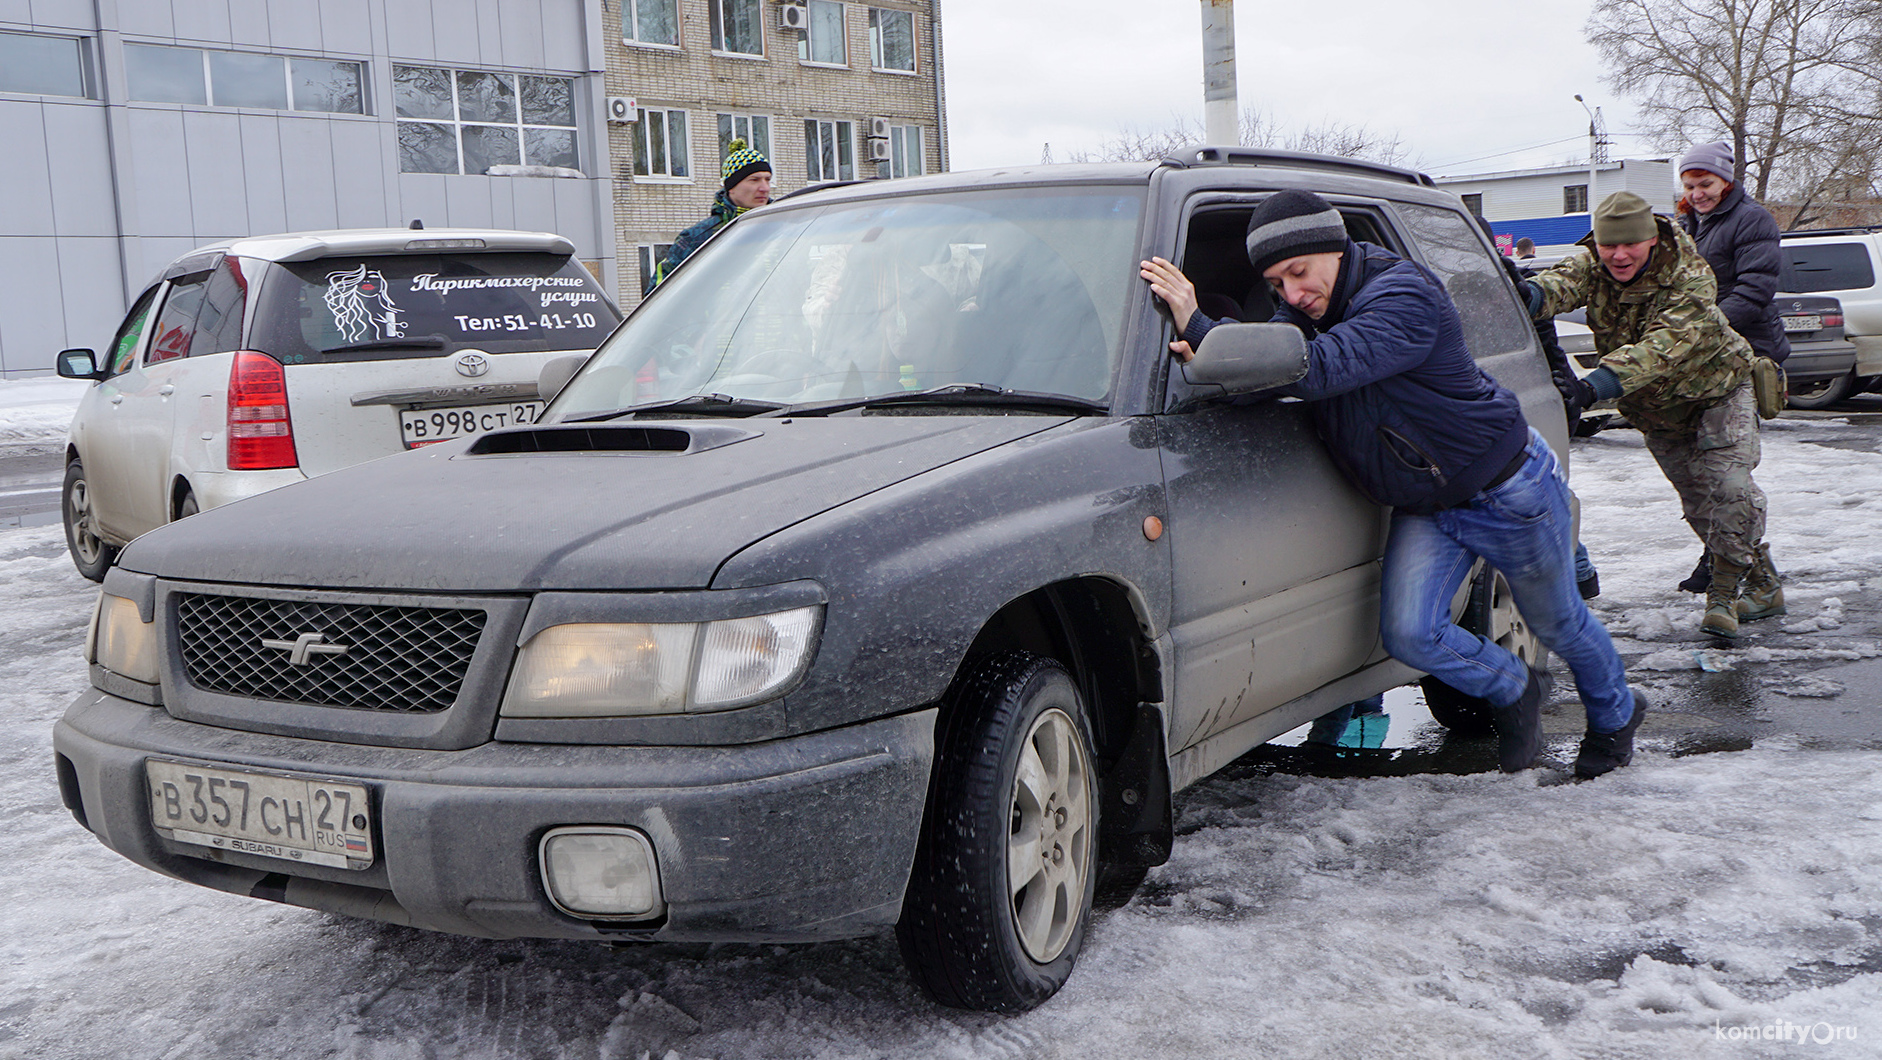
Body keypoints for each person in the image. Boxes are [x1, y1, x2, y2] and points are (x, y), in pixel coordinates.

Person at [1141, 190, 1644, 779]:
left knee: (1559, 622)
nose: (1293, 294)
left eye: (1299, 273)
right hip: (1425, 503)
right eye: (1277, 284)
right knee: (1411, 633)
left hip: (1506, 490)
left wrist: (1202, 322)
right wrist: (1209, 352)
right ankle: (1514, 686)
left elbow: (1321, 366)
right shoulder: (1306, 311)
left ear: (1332, 248)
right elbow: (1269, 371)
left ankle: (1615, 716)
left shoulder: (1402, 293)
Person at [1525, 191, 1784, 639]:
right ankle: (1763, 583)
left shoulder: (1690, 275)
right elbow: (1558, 284)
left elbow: (1662, 346)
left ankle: (1723, 596)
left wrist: (1591, 388)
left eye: (1630, 245)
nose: (1619, 255)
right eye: (1609, 246)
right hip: (1657, 409)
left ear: (1651, 239)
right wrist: (1526, 294)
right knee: (1701, 505)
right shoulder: (1592, 262)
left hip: (1718, 391)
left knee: (1729, 487)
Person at [1668, 140, 1791, 602]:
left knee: (1729, 467)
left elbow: (1755, 288)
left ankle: (1736, 561)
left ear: (1727, 180)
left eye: (1706, 183)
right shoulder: (1685, 222)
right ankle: (1721, 551)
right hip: (1699, 355)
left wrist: (1701, 331)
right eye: (1690, 185)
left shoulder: (1752, 219)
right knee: (1702, 465)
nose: (1698, 193)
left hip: (1746, 351)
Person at [654, 138, 773, 285]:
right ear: (731, 187)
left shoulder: (786, 228)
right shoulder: (698, 238)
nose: (764, 188)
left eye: (767, 180)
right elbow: (660, 292)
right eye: (754, 180)